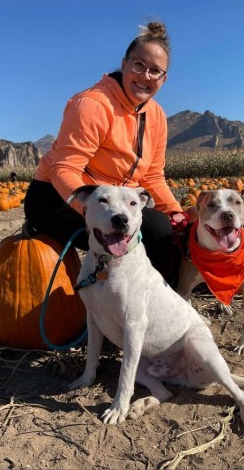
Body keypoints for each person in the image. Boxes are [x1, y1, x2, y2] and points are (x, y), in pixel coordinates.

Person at [24, 21, 189, 285]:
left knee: (167, 231)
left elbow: (153, 176)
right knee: (149, 231)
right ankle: (116, 303)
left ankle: (161, 298)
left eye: (155, 71)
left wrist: (176, 213)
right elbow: (64, 170)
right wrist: (92, 211)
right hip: (57, 197)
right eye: (139, 65)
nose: (146, 76)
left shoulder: (157, 116)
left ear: (164, 79)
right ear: (124, 64)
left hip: (117, 200)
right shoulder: (92, 105)